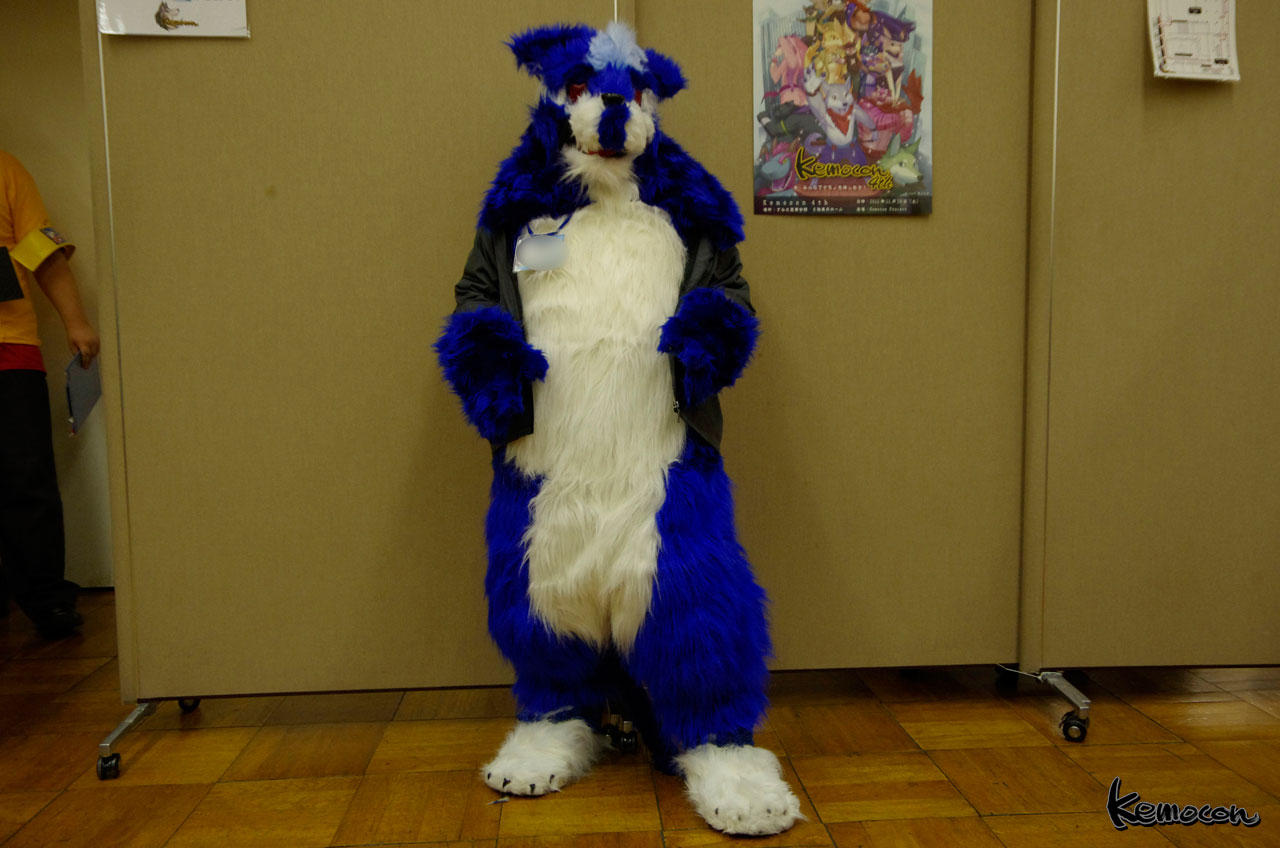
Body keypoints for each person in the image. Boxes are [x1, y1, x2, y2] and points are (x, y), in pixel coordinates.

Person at [1, 149, 100, 639]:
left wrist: (75, 321)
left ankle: (46, 599)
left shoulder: (5, 168)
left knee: (27, 479)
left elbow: (42, 251)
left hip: (9, 350)